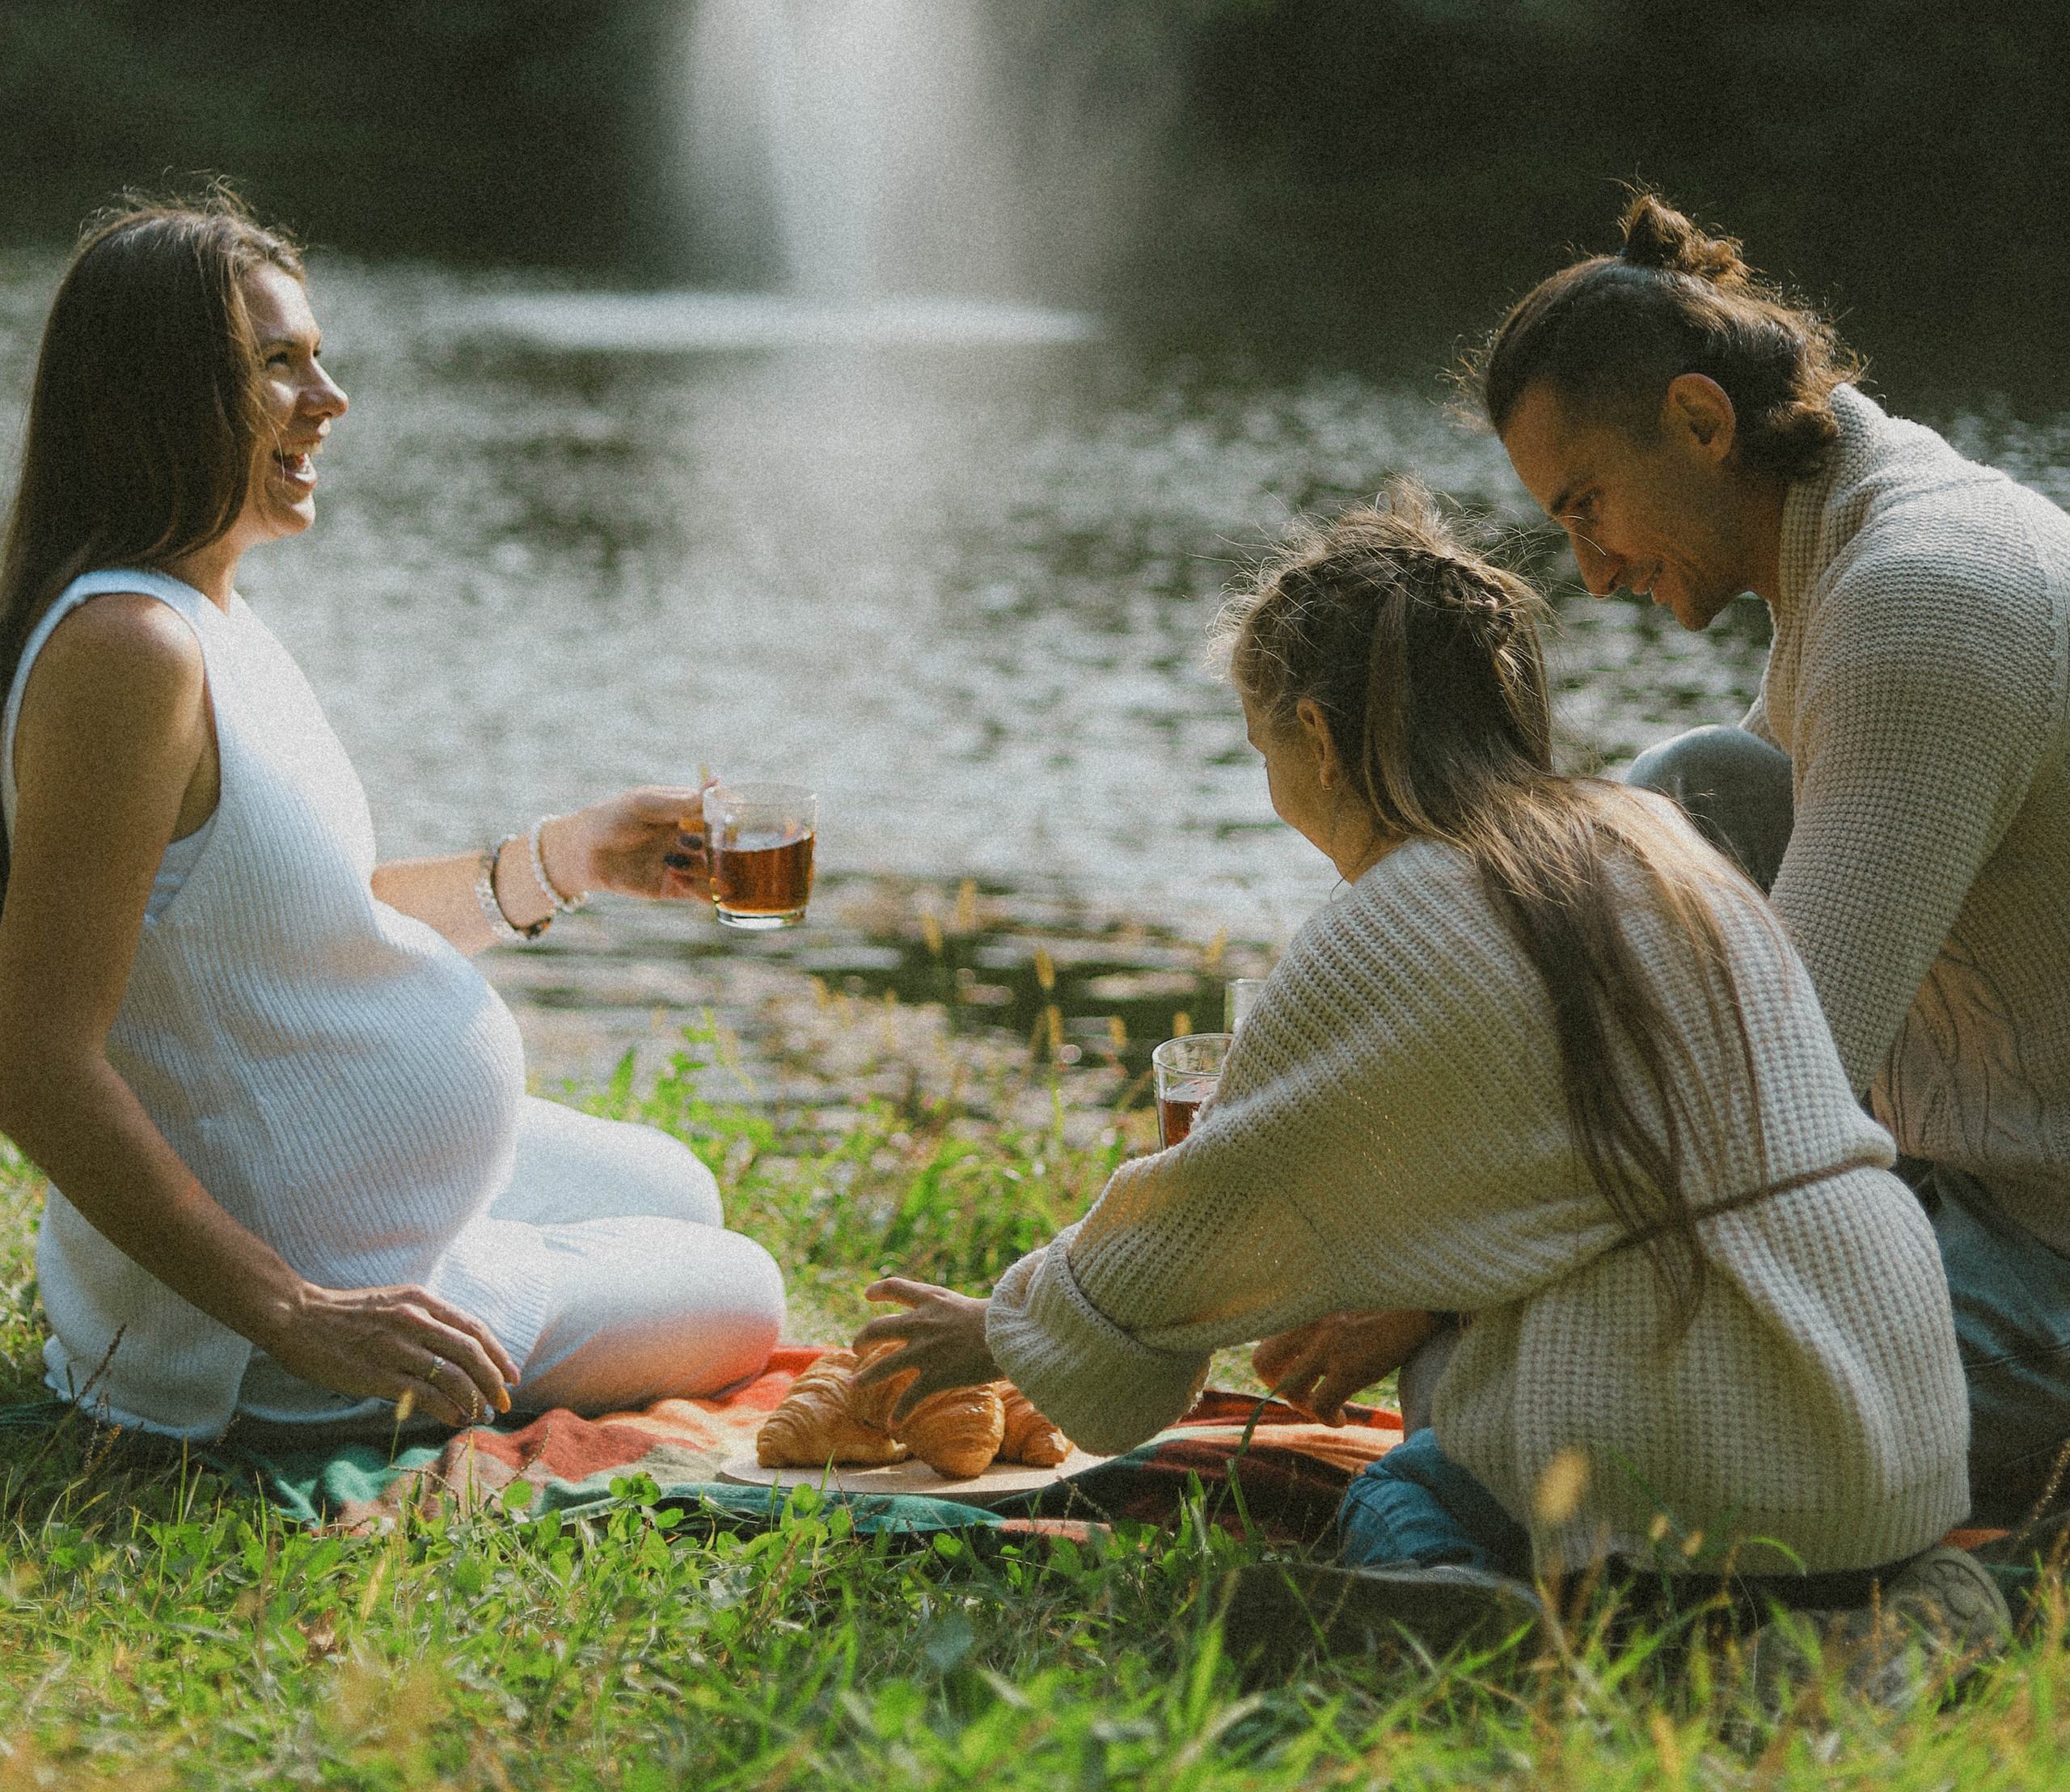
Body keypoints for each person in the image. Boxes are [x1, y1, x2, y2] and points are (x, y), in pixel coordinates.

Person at [857, 492, 1974, 1595]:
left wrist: (1006, 1322)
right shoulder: (1654, 840)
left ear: (1319, 738)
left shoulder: (1404, 915)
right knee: (1467, 1393)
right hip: (1902, 1435)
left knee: (1401, 1490)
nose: (1274, 788)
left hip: (1717, 1458)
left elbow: (1204, 1215)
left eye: (1263, 745)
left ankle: (1457, 1614)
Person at [0, 195, 784, 1443]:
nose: (331, 398)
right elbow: (32, 1057)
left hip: (356, 1198)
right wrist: (299, 1311)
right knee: (749, 1289)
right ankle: (374, 1325)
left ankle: (469, 1240)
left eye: (314, 355)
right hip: (277, 1323)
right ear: (162, 397)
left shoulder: (201, 613)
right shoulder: (126, 650)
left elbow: (293, 923)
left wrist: (559, 861)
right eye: (276, 366)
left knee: (679, 1190)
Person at [1481, 194, 2070, 1527]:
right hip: (1962, 1177)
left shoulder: (1925, 594)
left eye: (1589, 508)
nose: (1591, 571)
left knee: (1564, 1428)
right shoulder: (1858, 523)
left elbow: (1766, 1096)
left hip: (2051, 1258)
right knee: (1692, 795)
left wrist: (1442, 1269)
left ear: (1701, 421)